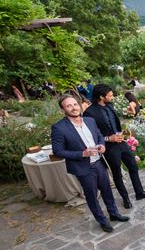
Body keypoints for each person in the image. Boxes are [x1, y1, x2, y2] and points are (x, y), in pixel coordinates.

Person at [51, 95, 129, 233]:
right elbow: (58, 151)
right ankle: (102, 221)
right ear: (63, 109)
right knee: (92, 196)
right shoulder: (59, 127)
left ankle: (114, 214)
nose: (73, 107)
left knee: (107, 191)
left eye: (75, 104)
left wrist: (101, 145)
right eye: (68, 106)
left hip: (99, 163)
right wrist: (82, 154)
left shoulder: (90, 121)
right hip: (83, 168)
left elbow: (99, 136)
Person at [84, 84, 145, 209]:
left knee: (133, 166)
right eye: (110, 95)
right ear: (101, 96)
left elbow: (114, 123)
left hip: (121, 142)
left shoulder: (110, 106)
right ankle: (125, 199)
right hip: (108, 147)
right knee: (117, 174)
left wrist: (122, 133)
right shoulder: (89, 113)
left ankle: (139, 192)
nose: (112, 97)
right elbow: (90, 134)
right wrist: (108, 138)